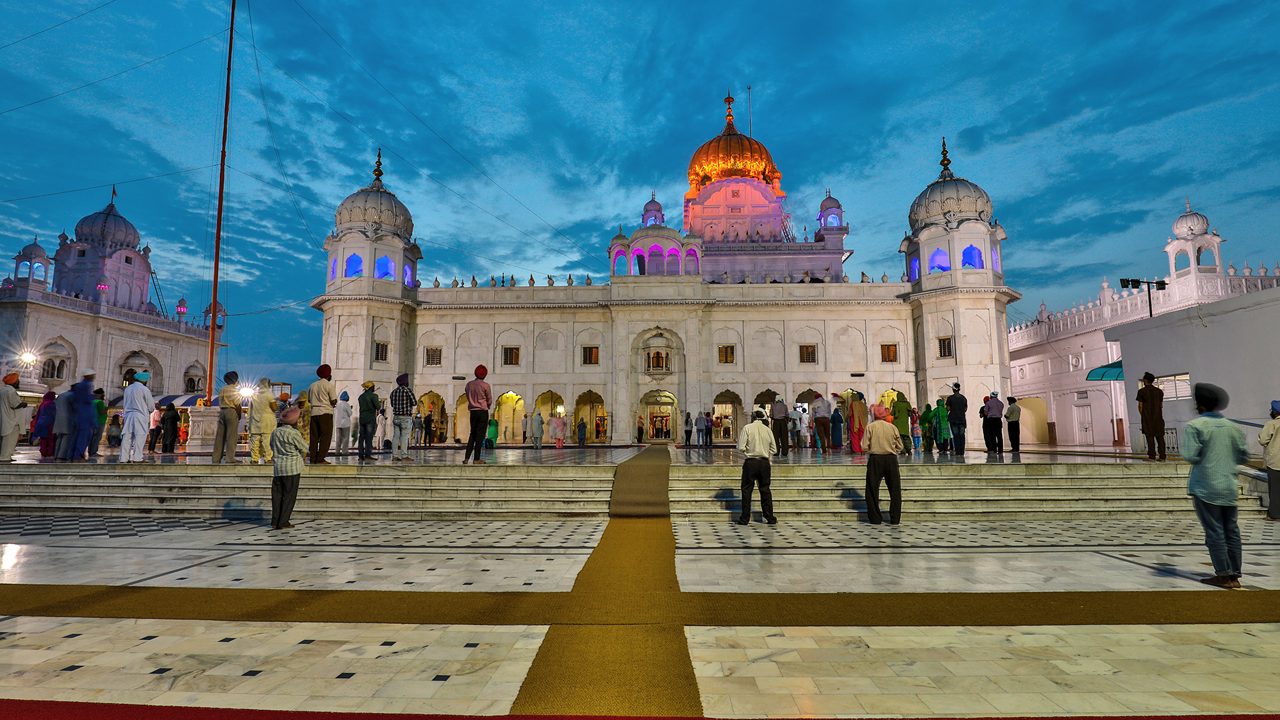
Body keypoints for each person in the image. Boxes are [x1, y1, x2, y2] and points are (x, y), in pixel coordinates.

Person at [1183, 383, 1248, 588]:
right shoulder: (1233, 427)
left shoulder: (1195, 426)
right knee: (1232, 530)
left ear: (1200, 406)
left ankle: (1222, 573)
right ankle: (1235, 574)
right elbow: (1243, 455)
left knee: (1214, 531)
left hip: (1205, 486)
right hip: (1228, 485)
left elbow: (1190, 455)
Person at [736, 409, 778, 525]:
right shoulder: (767, 430)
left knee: (746, 490)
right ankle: (769, 517)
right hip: (764, 463)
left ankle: (745, 518)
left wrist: (749, 452)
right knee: (765, 490)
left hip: (751, 462)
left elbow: (740, 447)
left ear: (753, 417)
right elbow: (774, 449)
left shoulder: (747, 428)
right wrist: (765, 452)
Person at [864, 404, 904, 525]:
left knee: (872, 490)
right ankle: (895, 518)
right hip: (891, 459)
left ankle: (875, 518)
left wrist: (873, 447)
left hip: (875, 459)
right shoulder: (892, 427)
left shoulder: (870, 427)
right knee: (895, 489)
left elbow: (864, 446)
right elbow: (900, 446)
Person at [269, 405, 308, 530]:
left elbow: (271, 446)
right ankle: (284, 521)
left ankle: (275, 520)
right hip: (292, 468)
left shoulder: (275, 432)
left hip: (278, 468)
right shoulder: (293, 433)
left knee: (277, 495)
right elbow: (304, 448)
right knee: (289, 496)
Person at [119, 371, 154, 463]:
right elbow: (151, 406)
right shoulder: (144, 389)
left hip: (129, 415)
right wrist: (150, 410)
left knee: (127, 437)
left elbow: (125, 403)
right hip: (140, 415)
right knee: (140, 436)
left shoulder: (128, 389)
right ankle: (137, 458)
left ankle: (123, 458)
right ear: (144, 381)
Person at [307, 364, 338, 464]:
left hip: (314, 413)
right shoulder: (329, 385)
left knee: (314, 437)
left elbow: (308, 400)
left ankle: (312, 458)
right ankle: (320, 458)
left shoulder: (312, 385)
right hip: (325, 413)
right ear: (329, 375)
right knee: (325, 436)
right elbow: (333, 400)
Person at [463, 365, 491, 464]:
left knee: (472, 434)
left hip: (473, 412)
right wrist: (487, 405)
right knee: (480, 436)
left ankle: (466, 458)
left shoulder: (469, 384)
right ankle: (476, 459)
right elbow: (489, 399)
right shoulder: (485, 385)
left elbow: (467, 394)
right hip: (482, 412)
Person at [212, 371, 242, 464]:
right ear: (235, 379)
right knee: (231, 436)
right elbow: (237, 404)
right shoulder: (235, 390)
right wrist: (239, 415)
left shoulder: (222, 389)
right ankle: (230, 458)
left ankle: (216, 458)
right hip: (231, 411)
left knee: (220, 437)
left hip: (222, 411)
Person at [1136, 372, 1167, 460]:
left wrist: (1143, 415)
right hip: (1158, 418)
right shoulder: (1159, 392)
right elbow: (1161, 405)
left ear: (1145, 380)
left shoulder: (1141, 391)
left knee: (1150, 437)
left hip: (1147, 418)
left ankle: (1152, 456)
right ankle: (1162, 456)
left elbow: (1140, 406)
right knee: (1160, 437)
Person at [248, 379, 278, 464]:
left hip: (255, 421)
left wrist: (248, 423)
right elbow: (274, 408)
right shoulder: (269, 394)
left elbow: (250, 410)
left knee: (255, 441)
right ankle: (268, 458)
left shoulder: (254, 395)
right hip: (267, 421)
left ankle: (254, 458)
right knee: (267, 441)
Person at [1260, 401, 1280, 521]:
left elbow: (1263, 440)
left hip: (1275, 461)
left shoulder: (1271, 424)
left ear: (1273, 412)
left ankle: (1274, 514)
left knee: (1275, 489)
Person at [0, 373, 27, 463]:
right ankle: (5, 458)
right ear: (14, 381)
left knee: (5, 440)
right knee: (9, 441)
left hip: (5, 418)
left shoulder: (3, 390)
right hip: (12, 420)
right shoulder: (11, 391)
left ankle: (4, 456)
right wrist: (23, 404)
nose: (19, 382)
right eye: (17, 380)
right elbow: (15, 404)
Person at [389, 373, 416, 462]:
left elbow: (392, 404)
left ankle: (394, 456)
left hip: (396, 417)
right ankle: (404, 455)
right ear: (405, 382)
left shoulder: (394, 392)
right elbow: (414, 402)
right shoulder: (408, 390)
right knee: (404, 437)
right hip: (405, 417)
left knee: (395, 437)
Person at [357, 381, 380, 462]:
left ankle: (360, 456)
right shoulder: (374, 396)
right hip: (370, 418)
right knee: (369, 437)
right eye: (373, 387)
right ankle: (367, 455)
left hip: (362, 418)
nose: (374, 388)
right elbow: (378, 406)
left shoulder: (361, 396)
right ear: (370, 387)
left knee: (361, 437)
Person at [30, 391, 57, 458]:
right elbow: (53, 415)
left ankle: (43, 452)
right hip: (49, 424)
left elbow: (38, 415)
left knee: (43, 439)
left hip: (41, 423)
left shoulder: (42, 404)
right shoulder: (51, 404)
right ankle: (49, 453)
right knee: (50, 439)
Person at [946, 383, 968, 456]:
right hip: (962, 419)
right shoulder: (963, 398)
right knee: (962, 435)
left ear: (953, 389)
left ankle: (958, 451)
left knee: (956, 436)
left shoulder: (950, 398)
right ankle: (962, 452)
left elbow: (948, 408)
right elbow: (965, 409)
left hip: (953, 419)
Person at [53, 388, 75, 461]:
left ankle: (56, 454)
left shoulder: (61, 395)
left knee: (59, 437)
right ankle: (62, 455)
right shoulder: (73, 396)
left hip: (59, 418)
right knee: (66, 438)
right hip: (68, 419)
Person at [891, 391, 912, 456]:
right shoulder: (907, 404)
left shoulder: (895, 404)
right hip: (905, 424)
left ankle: (903, 451)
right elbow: (910, 414)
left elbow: (892, 413)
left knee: (899, 438)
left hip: (897, 424)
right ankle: (909, 450)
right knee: (906, 437)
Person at [334, 390, 353, 455]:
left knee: (338, 438)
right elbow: (350, 413)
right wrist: (350, 408)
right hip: (345, 424)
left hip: (338, 424)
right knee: (345, 438)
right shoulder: (346, 404)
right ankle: (344, 451)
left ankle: (337, 451)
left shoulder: (337, 404)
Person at [90, 388, 107, 457]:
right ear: (100, 395)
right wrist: (106, 409)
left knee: (93, 437)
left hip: (94, 421)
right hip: (100, 422)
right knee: (97, 437)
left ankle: (91, 451)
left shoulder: (93, 401)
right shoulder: (100, 402)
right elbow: (101, 412)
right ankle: (93, 452)